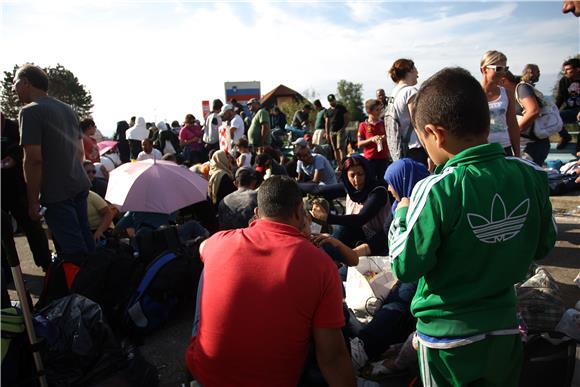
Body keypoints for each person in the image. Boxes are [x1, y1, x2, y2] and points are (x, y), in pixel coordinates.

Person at [389, 67, 557, 387]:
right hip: (506, 327)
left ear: (435, 134)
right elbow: (544, 245)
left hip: (445, 339)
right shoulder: (530, 175)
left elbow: (405, 265)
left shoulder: (436, 189)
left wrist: (402, 215)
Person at [186, 176, 356, 387]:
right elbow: (332, 358)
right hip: (276, 379)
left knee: (210, 269)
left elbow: (203, 248)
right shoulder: (320, 263)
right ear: (298, 213)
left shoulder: (220, 241)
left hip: (205, 374)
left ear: (257, 214)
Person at [13, 64, 95, 259]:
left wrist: (33, 202)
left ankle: (85, 287)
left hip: (56, 193)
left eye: (15, 83)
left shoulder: (30, 112)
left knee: (74, 253)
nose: (13, 89)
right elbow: (79, 151)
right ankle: (98, 282)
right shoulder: (67, 109)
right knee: (86, 242)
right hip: (78, 184)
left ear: (26, 83)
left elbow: (33, 160)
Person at [1, 113, 51, 271]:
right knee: (3, 233)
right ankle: (7, 270)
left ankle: (46, 263)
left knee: (32, 226)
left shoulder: (14, 127)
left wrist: (14, 157)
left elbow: (28, 150)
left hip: (19, 187)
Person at [311, 155, 390, 254]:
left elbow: (360, 219)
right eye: (352, 175)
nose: (356, 180)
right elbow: (318, 190)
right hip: (355, 240)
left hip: (377, 243)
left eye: (360, 174)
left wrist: (329, 218)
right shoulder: (349, 189)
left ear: (367, 173)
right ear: (346, 176)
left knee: (343, 228)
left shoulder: (378, 192)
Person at [505, 66, 551, 166]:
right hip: (530, 144)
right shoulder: (512, 94)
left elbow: (533, 111)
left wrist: (513, 132)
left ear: (503, 80)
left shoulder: (522, 88)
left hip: (534, 145)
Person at [385, 58, 428, 165]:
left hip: (401, 148)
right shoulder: (410, 92)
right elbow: (417, 123)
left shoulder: (394, 93)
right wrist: (428, 149)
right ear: (409, 71)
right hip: (416, 149)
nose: (417, 73)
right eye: (415, 69)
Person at [480, 50, 520, 156]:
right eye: (498, 69)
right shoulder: (473, 93)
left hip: (504, 149)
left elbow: (512, 124)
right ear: (484, 70)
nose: (502, 73)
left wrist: (517, 154)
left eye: (505, 69)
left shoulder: (507, 93)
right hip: (482, 150)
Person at [357, 99, 389, 182]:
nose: (379, 112)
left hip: (383, 158)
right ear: (369, 111)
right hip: (370, 159)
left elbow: (389, 138)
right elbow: (359, 144)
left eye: (380, 109)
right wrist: (371, 139)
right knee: (371, 181)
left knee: (383, 181)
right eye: (377, 110)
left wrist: (384, 138)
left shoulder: (383, 123)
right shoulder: (363, 125)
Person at [555, 57, 580, 149]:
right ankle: (565, 136)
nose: (565, 72)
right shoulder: (564, 81)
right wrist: (553, 110)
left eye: (568, 69)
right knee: (556, 116)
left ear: (577, 69)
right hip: (570, 110)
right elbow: (560, 98)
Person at [325, 94, 349, 167]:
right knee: (335, 149)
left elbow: (346, 118)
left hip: (340, 130)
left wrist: (343, 128)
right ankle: (339, 165)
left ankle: (345, 164)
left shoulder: (341, 108)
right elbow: (327, 122)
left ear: (335, 99)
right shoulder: (327, 111)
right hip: (332, 132)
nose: (332, 102)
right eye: (330, 101)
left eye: (333, 100)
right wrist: (327, 133)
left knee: (341, 148)